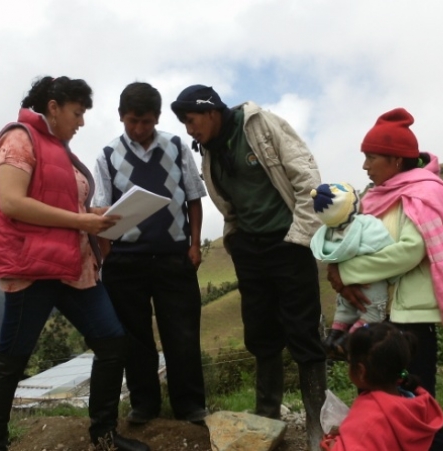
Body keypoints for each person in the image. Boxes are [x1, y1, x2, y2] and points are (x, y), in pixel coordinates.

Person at [0, 76, 149, 451]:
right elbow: (12, 202)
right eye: (77, 112)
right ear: (53, 107)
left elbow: (58, 205)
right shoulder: (19, 139)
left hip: (74, 266)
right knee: (10, 363)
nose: (82, 122)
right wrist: (82, 221)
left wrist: (94, 214)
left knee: (112, 342)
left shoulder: (58, 148)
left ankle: (104, 435)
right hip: (32, 267)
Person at [326, 108, 443, 451]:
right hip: (376, 315)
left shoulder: (424, 193)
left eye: (371, 157)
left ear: (396, 160)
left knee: (415, 411)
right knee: (377, 406)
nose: (365, 166)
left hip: (411, 320)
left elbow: (410, 251)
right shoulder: (378, 197)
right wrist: (337, 272)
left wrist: (345, 273)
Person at [171, 85, 327, 450]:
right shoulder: (210, 148)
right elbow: (228, 201)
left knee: (303, 332)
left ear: (209, 112)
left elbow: (306, 177)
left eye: (191, 121)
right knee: (260, 332)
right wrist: (235, 238)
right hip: (250, 249)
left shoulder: (261, 126)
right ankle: (267, 416)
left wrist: (300, 236)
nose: (189, 129)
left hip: (288, 243)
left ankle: (317, 423)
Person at [92, 82, 208, 425]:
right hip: (126, 261)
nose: (139, 129)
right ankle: (144, 405)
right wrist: (107, 254)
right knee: (134, 337)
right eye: (132, 122)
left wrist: (196, 243)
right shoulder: (107, 154)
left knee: (183, 333)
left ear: (157, 118)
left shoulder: (176, 147)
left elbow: (193, 197)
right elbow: (100, 207)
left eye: (146, 122)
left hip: (174, 257)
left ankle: (190, 405)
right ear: (121, 118)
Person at [324, 322, 443, 451]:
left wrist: (333, 446)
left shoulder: (367, 416)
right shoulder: (413, 405)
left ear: (361, 371)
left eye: (349, 361)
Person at [309, 182, 394, 360]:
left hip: (345, 285)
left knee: (345, 310)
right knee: (371, 314)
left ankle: (333, 338)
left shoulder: (329, 233)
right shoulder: (365, 224)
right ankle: (347, 342)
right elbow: (385, 243)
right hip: (369, 282)